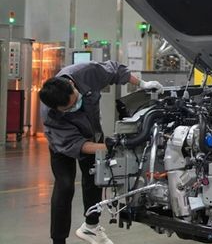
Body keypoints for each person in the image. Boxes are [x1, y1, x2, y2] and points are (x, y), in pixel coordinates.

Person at [39, 61, 163, 244]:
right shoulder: (51, 116)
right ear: (57, 109)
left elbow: (116, 71)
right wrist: (112, 147)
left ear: (73, 85)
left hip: (92, 132)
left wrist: (142, 84)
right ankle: (59, 240)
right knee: (64, 185)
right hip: (63, 144)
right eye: (68, 109)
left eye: (75, 99)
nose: (75, 107)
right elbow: (77, 145)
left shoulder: (85, 72)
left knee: (95, 178)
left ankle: (91, 227)